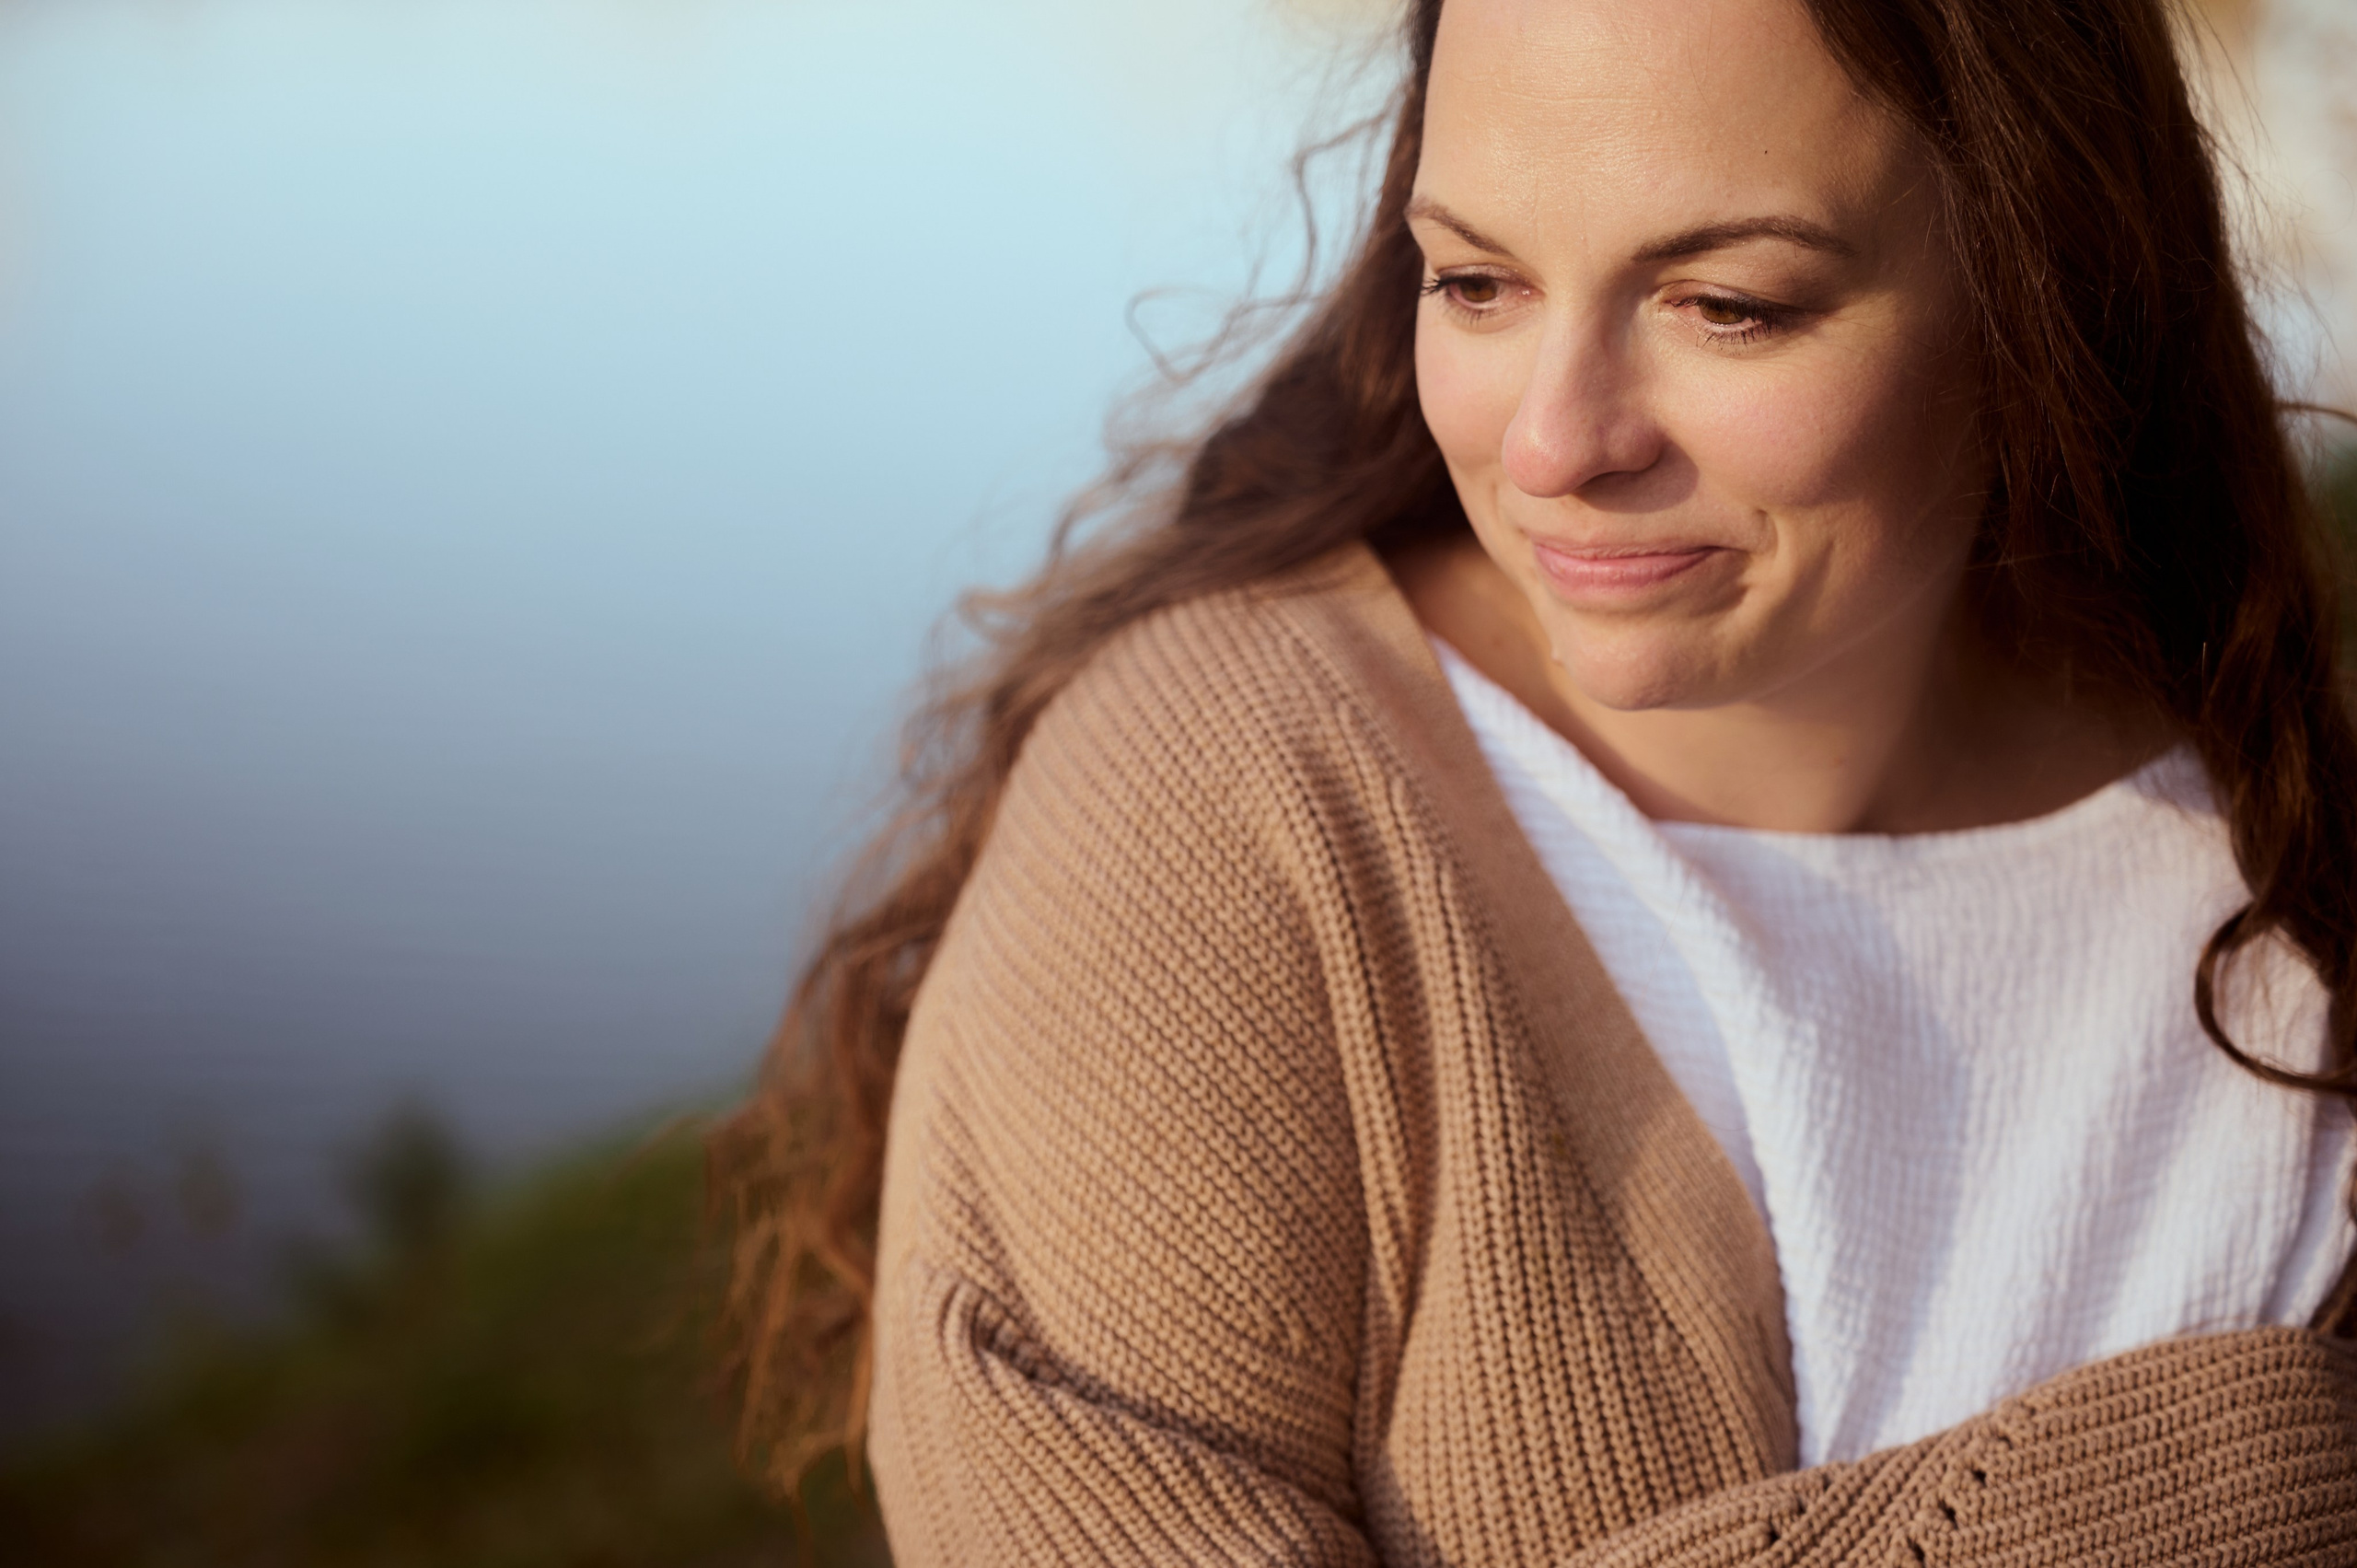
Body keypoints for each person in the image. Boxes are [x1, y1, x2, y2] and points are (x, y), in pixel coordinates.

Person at [714, 0, 2357, 1560]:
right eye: (1477, 283)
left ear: (2047, 282)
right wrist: (2240, 1485)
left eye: (1728, 305)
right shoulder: (1217, 810)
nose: (1555, 444)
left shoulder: (2287, 887)